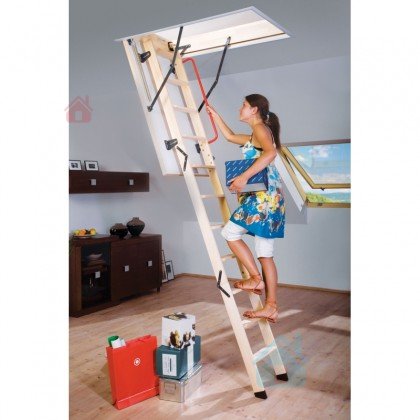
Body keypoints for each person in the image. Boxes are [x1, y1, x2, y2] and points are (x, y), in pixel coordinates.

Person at [206, 94, 285, 323]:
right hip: (267, 198)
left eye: (244, 105)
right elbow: (230, 136)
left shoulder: (260, 128)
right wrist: (215, 116)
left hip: (264, 199)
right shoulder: (255, 133)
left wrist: (243, 177)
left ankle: (256, 280)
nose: (240, 108)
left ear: (254, 110)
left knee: (231, 233)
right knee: (264, 252)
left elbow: (271, 153)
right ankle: (270, 305)